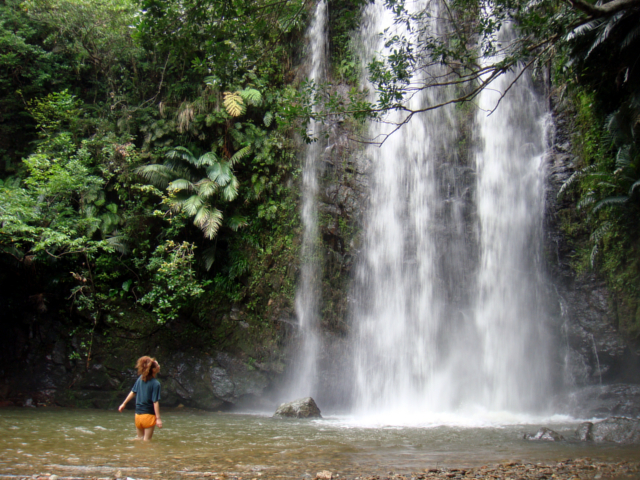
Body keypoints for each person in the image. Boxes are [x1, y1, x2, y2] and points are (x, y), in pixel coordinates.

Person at [118, 356, 163, 441]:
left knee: (139, 439)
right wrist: (158, 418)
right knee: (146, 442)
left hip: (138, 416)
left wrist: (123, 404)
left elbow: (133, 392)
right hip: (148, 416)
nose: (159, 366)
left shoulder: (140, 379)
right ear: (153, 370)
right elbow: (155, 401)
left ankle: (137, 453)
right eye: (157, 365)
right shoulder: (156, 384)